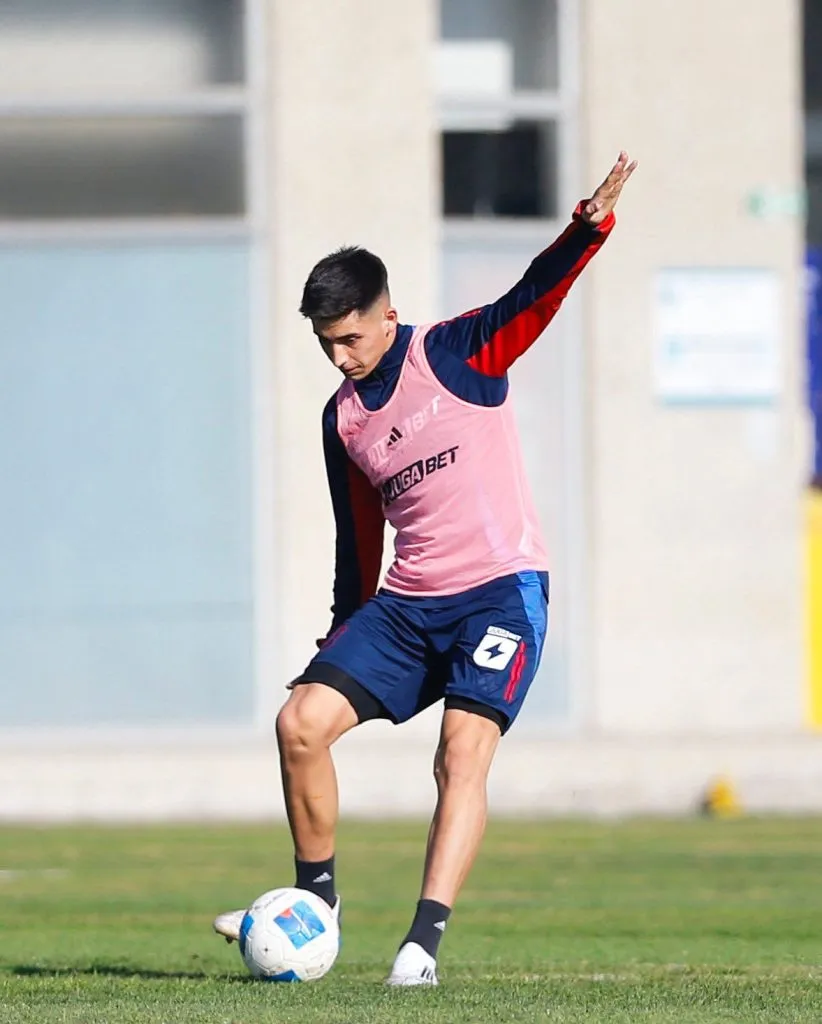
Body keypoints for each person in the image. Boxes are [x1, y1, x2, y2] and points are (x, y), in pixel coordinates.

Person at [213, 151, 637, 985]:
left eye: (350, 338)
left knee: (458, 753)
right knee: (299, 725)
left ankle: (422, 947)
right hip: (408, 606)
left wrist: (585, 230)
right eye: (325, 344)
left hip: (500, 595)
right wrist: (344, 632)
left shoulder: (457, 353)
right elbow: (357, 539)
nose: (340, 358)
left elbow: (533, 297)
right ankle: (316, 909)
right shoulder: (341, 420)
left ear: (387, 314)